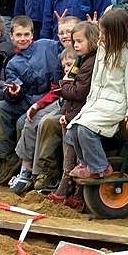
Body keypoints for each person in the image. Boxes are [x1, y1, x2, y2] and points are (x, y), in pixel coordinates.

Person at [65, 8, 128, 179]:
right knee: (73, 129)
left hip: (116, 103)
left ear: (116, 34)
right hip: (97, 101)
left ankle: (100, 166)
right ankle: (86, 163)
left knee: (85, 129)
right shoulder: (103, 46)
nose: (100, 36)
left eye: (104, 33)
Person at [0, 16, 61, 184]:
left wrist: (61, 26)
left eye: (26, 34)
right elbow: (12, 88)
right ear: (11, 37)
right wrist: (14, 92)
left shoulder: (47, 46)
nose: (23, 39)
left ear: (33, 34)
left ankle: (26, 165)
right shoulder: (13, 63)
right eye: (18, 35)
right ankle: (5, 157)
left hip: (49, 100)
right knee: (1, 107)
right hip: (26, 100)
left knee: (22, 122)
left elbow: (66, 47)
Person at [40, 21, 99, 200]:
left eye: (79, 41)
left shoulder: (90, 63)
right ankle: (66, 188)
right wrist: (66, 113)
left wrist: (64, 84)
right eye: (74, 42)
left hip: (81, 114)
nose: (75, 45)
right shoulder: (80, 60)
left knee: (78, 157)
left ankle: (77, 193)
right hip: (72, 114)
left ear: (93, 40)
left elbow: (79, 92)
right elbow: (69, 93)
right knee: (69, 155)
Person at [10, 47, 77, 195]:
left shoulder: (81, 73)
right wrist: (38, 105)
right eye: (65, 65)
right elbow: (55, 91)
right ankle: (25, 170)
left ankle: (43, 173)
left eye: (70, 65)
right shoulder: (63, 75)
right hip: (58, 101)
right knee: (31, 119)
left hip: (69, 107)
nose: (67, 69)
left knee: (46, 123)